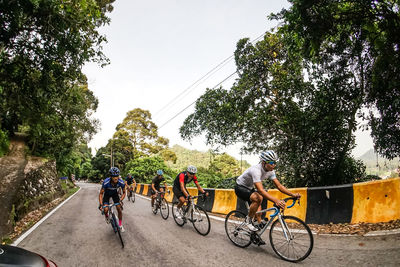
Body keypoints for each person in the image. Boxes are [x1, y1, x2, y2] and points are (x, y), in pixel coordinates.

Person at [235, 150, 300, 234]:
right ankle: (248, 220)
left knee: (258, 212)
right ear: (263, 162)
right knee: (258, 198)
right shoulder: (256, 170)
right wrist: (276, 200)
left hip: (249, 188)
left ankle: (256, 233)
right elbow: (260, 190)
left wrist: (293, 194)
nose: (274, 165)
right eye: (271, 162)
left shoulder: (271, 171)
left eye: (275, 162)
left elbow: (279, 186)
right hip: (240, 187)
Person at [99, 167, 127, 232]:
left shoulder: (121, 182)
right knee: (105, 209)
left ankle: (120, 225)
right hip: (107, 195)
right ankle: (106, 216)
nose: (116, 178)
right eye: (114, 176)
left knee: (119, 209)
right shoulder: (106, 182)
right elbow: (101, 194)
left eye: (117, 176)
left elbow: (124, 193)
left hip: (115, 194)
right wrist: (101, 204)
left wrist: (120, 200)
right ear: (111, 176)